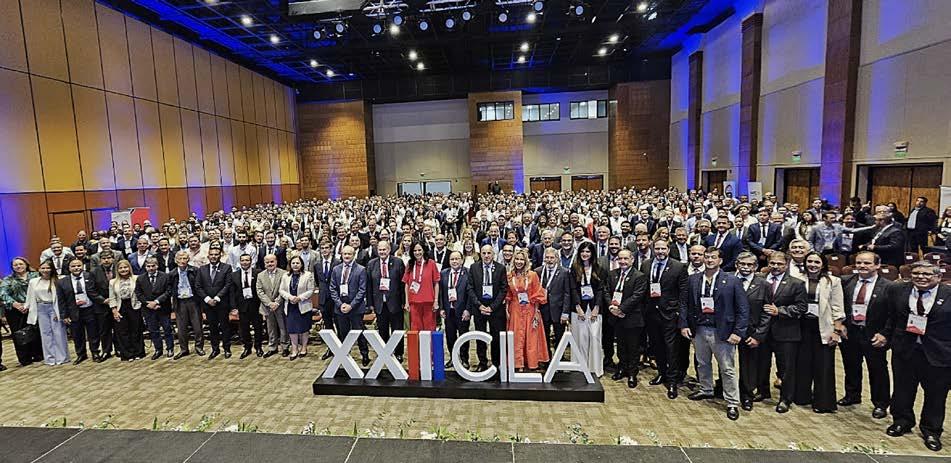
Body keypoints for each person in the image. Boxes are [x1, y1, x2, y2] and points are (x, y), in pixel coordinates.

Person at [886, 261, 951, 452]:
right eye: (916, 273)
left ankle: (931, 430)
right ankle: (902, 421)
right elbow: (892, 316)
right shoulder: (898, 290)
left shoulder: (948, 294)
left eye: (927, 274)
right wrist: (886, 335)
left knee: (936, 394)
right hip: (905, 349)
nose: (921, 277)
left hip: (939, 352)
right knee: (902, 389)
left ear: (938, 277)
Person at [679, 247, 748, 420]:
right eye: (707, 257)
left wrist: (738, 332)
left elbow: (743, 309)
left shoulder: (732, 280)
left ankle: (732, 402)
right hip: (699, 329)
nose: (709, 260)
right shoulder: (694, 279)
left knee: (727, 368)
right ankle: (706, 389)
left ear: (720, 260)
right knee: (702, 363)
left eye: (713, 257)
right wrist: (684, 324)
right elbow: (685, 304)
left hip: (723, 331)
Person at [838, 250, 893, 418]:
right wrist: (839, 324)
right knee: (851, 365)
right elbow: (838, 305)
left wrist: (885, 334)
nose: (862, 266)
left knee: (877, 370)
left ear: (877, 265)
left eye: (867, 263)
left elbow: (893, 314)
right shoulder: (845, 281)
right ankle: (852, 395)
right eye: (859, 262)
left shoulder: (889, 286)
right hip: (850, 331)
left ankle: (881, 404)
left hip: (874, 334)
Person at [794, 251, 845, 413]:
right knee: (802, 363)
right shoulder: (797, 279)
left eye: (817, 262)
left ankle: (823, 402)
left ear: (823, 264)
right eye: (809, 261)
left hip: (824, 327)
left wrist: (837, 330)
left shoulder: (833, 281)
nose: (813, 265)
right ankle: (802, 397)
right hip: (802, 325)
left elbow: (837, 307)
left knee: (823, 365)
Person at [761, 252, 808, 413]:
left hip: (786, 331)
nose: (775, 266)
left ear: (786, 265)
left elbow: (801, 307)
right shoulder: (760, 279)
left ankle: (785, 399)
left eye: (779, 264)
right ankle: (762, 391)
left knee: (786, 368)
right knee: (762, 363)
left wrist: (779, 311)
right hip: (763, 330)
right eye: (772, 263)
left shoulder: (797, 283)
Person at [642, 239, 687, 399]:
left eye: (663, 248)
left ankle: (672, 380)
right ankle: (662, 373)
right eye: (657, 248)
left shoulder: (679, 266)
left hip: (670, 313)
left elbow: (683, 293)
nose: (660, 251)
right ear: (653, 249)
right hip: (651, 313)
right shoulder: (646, 265)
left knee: (671, 348)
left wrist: (680, 313)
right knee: (657, 346)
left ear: (668, 249)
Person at [605, 249, 648, 388]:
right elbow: (606, 291)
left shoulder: (639, 276)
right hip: (616, 317)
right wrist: (611, 307)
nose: (622, 261)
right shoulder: (612, 274)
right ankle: (622, 368)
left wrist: (621, 309)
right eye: (620, 259)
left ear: (632, 260)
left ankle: (632, 373)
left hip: (632, 317)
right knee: (621, 345)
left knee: (633, 347)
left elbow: (637, 296)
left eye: (625, 259)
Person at [734, 252, 772, 410]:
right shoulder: (728, 279)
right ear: (736, 264)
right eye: (742, 264)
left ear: (755, 267)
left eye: (749, 265)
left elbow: (766, 312)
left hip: (751, 331)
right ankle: (724, 390)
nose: (745, 267)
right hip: (728, 330)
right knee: (726, 363)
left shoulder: (764, 285)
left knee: (748, 366)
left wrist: (758, 335)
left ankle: (747, 396)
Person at [466, 245, 509, 372]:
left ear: (493, 254)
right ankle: (482, 362)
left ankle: (496, 363)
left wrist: (492, 307)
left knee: (496, 337)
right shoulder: (474, 268)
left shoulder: (500, 268)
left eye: (489, 253)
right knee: (480, 336)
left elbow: (503, 289)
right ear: (480, 254)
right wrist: (479, 305)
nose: (486, 256)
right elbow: (470, 288)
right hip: (479, 309)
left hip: (496, 310)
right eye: (484, 253)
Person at [505, 249, 548, 371]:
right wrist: (507, 309)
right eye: (517, 259)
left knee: (531, 337)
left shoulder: (532, 275)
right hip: (515, 309)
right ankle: (518, 363)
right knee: (516, 336)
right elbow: (507, 294)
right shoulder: (509, 276)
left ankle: (531, 362)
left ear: (526, 261)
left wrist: (536, 312)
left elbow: (537, 293)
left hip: (530, 309)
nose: (519, 262)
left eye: (522, 259)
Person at [56, 256, 105, 364]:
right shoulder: (62, 282)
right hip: (74, 311)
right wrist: (64, 315)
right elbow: (61, 300)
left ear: (82, 266)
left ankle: (95, 352)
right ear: (69, 268)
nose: (76, 268)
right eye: (73, 266)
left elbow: (96, 290)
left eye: (79, 265)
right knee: (77, 334)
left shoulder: (90, 276)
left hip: (90, 309)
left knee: (93, 333)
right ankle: (81, 354)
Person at [569, 242, 605, 376]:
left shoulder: (599, 269)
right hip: (579, 309)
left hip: (594, 308)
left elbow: (600, 290)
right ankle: (580, 368)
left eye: (588, 251)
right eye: (583, 251)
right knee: (580, 338)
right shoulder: (574, 268)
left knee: (595, 337)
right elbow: (573, 289)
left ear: (592, 253)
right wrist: (577, 307)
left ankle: (594, 369)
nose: (585, 254)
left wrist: (597, 307)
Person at [330, 245, 371, 367]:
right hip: (340, 308)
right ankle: (345, 356)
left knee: (359, 333)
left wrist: (351, 306)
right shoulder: (336, 269)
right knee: (343, 334)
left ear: (354, 255)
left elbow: (362, 290)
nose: (347, 256)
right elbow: (332, 288)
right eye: (345, 254)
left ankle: (365, 355)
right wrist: (340, 304)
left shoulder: (361, 270)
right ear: (341, 255)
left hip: (356, 308)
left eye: (349, 254)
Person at [367, 240, 407, 361]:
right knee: (382, 330)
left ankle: (399, 352)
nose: (382, 252)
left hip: (395, 302)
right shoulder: (371, 264)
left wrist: (404, 301)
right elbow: (369, 286)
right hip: (379, 303)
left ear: (389, 250)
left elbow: (403, 284)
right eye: (380, 250)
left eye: (384, 249)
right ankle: (385, 352)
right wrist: (370, 304)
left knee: (397, 330)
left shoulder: (398, 262)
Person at [25, 260, 70, 365]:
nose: (45, 270)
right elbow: (30, 296)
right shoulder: (34, 281)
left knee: (58, 333)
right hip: (41, 308)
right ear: (39, 269)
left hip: (54, 308)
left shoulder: (58, 280)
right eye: (43, 268)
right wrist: (26, 307)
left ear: (52, 269)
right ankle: (50, 358)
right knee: (45, 334)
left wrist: (60, 312)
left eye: (48, 268)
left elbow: (62, 298)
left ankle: (62, 357)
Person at [0, 257, 44, 366]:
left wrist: (28, 304)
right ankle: (24, 358)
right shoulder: (8, 279)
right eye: (15, 265)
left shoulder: (36, 276)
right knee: (19, 335)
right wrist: (15, 304)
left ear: (26, 264)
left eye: (21, 264)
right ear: (12, 267)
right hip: (15, 310)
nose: (18, 266)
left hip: (34, 307)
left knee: (35, 331)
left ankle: (38, 354)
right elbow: (3, 293)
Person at [196, 247, 233, 359]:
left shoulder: (226, 267)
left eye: (216, 254)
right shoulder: (202, 269)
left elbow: (228, 285)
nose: (213, 256)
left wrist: (217, 298)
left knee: (225, 327)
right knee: (212, 328)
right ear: (208, 256)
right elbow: (198, 286)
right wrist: (207, 299)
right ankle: (215, 349)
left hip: (221, 303)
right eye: (211, 254)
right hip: (208, 304)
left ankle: (227, 349)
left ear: (220, 256)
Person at [134, 257, 175, 360]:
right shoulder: (140, 278)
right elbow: (138, 293)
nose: (151, 268)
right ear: (145, 267)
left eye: (153, 266)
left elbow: (168, 291)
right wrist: (147, 303)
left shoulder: (165, 276)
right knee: (153, 330)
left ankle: (170, 348)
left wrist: (156, 302)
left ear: (157, 266)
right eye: (148, 266)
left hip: (163, 307)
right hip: (148, 309)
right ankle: (158, 350)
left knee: (167, 329)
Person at [535, 247, 572, 358]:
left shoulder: (564, 272)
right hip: (543, 310)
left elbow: (567, 293)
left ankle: (559, 357)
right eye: (547, 257)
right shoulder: (538, 271)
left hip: (558, 310)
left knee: (559, 336)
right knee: (544, 336)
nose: (549, 260)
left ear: (557, 258)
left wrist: (565, 312)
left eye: (552, 258)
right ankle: (546, 358)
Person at [439, 251, 472, 369]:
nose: (455, 261)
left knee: (463, 336)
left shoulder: (468, 273)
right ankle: (453, 358)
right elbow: (441, 292)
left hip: (463, 311)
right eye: (452, 259)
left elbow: (470, 293)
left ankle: (464, 359)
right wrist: (441, 308)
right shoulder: (444, 273)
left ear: (462, 260)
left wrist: (468, 310)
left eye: (457, 259)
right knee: (450, 336)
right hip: (449, 311)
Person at [108, 260, 145, 361]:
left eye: (125, 267)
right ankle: (128, 354)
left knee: (136, 330)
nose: (123, 269)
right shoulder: (112, 282)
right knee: (123, 331)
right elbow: (112, 297)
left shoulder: (136, 278)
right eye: (120, 268)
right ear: (117, 270)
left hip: (134, 306)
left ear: (129, 268)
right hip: (120, 307)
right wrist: (114, 311)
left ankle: (138, 352)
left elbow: (140, 293)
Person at [170, 251, 204, 359]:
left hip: (193, 300)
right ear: (176, 260)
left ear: (188, 260)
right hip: (180, 302)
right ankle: (184, 349)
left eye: (184, 258)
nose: (182, 261)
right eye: (180, 259)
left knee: (197, 326)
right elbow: (170, 289)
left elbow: (199, 285)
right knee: (181, 328)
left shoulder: (194, 270)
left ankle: (199, 347)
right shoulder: (172, 273)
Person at [280, 256, 316, 360]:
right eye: (293, 263)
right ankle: (294, 349)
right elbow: (281, 290)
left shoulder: (308, 275)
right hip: (290, 306)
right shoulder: (285, 276)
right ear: (290, 264)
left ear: (301, 264)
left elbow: (311, 290)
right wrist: (290, 297)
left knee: (304, 328)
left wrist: (299, 298)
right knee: (292, 329)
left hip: (303, 305)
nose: (295, 265)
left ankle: (304, 347)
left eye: (297, 263)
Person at [403, 242, 441, 331]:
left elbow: (436, 283)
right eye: (415, 250)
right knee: (415, 329)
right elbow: (407, 284)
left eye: (419, 250)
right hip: (414, 303)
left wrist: (436, 301)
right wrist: (407, 302)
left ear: (423, 251)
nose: (417, 253)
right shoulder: (410, 264)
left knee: (429, 328)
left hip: (429, 302)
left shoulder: (431, 263)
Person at [231, 254, 264, 358]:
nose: (245, 262)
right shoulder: (234, 275)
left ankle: (258, 347)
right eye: (243, 260)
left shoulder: (258, 273)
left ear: (251, 261)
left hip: (255, 305)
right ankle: (247, 348)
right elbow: (232, 293)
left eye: (247, 260)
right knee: (244, 328)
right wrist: (234, 307)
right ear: (240, 262)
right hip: (242, 306)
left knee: (258, 327)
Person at [256, 254, 289, 358]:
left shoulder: (284, 273)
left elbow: (285, 289)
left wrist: (277, 303)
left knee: (283, 327)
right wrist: (269, 303)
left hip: (280, 305)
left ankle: (285, 347)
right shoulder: (260, 275)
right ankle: (272, 347)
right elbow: (259, 291)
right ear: (264, 263)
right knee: (270, 328)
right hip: (267, 307)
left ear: (276, 262)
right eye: (267, 262)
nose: (270, 264)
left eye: (272, 261)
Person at [314, 240, 340, 359]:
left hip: (336, 298)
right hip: (324, 298)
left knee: (339, 325)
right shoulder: (317, 265)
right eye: (322, 248)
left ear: (331, 249)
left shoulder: (337, 262)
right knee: (328, 325)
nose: (324, 250)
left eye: (326, 248)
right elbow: (318, 281)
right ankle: (331, 348)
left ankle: (341, 349)